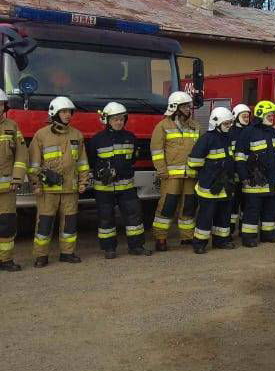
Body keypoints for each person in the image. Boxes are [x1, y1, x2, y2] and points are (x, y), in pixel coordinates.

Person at [29, 96, 90, 267]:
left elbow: (82, 162)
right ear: (54, 113)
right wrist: (36, 184)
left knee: (70, 223)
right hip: (48, 191)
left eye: (69, 112)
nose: (68, 115)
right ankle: (41, 255)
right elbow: (34, 164)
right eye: (63, 112)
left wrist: (84, 182)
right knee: (44, 224)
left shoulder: (77, 135)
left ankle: (67, 253)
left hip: (71, 189)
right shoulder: (41, 135)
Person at [88, 102, 151, 260]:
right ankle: (109, 249)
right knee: (106, 218)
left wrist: (120, 170)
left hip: (126, 187)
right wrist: (102, 171)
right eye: (115, 119)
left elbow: (132, 160)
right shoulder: (96, 140)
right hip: (104, 188)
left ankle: (136, 246)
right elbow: (91, 162)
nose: (119, 122)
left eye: (121, 119)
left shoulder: (130, 138)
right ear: (107, 120)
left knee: (134, 217)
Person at [151, 91, 200, 251]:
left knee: (188, 207)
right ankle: (161, 238)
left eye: (188, 106)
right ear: (175, 107)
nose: (188, 109)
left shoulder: (195, 125)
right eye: (184, 106)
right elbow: (157, 151)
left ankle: (187, 237)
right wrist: (162, 171)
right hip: (171, 176)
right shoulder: (163, 126)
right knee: (167, 206)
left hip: (190, 175)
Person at [188, 107, 236, 254]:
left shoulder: (228, 138)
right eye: (226, 124)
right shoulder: (206, 139)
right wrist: (212, 171)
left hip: (225, 185)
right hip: (209, 186)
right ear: (216, 123)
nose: (228, 126)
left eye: (230, 124)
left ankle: (221, 241)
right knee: (205, 217)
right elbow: (194, 162)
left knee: (224, 216)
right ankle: (199, 244)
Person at [234, 101, 275, 246]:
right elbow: (240, 156)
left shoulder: (274, 132)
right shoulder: (248, 132)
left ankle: (268, 234)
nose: (272, 117)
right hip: (254, 180)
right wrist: (244, 177)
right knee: (252, 210)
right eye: (269, 115)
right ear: (261, 114)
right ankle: (249, 237)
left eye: (273, 115)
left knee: (270, 209)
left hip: (272, 179)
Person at [0, 90, 28, 272]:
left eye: (1, 104)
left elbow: (21, 154)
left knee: (7, 225)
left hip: (7, 188)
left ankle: (5, 260)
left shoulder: (12, 126)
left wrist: (17, 178)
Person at [228, 104, 251, 234]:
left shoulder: (252, 131)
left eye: (248, 116)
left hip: (248, 174)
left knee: (246, 203)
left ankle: (243, 229)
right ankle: (230, 229)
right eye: (244, 116)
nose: (247, 119)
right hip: (233, 174)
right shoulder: (230, 132)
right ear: (236, 117)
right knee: (233, 204)